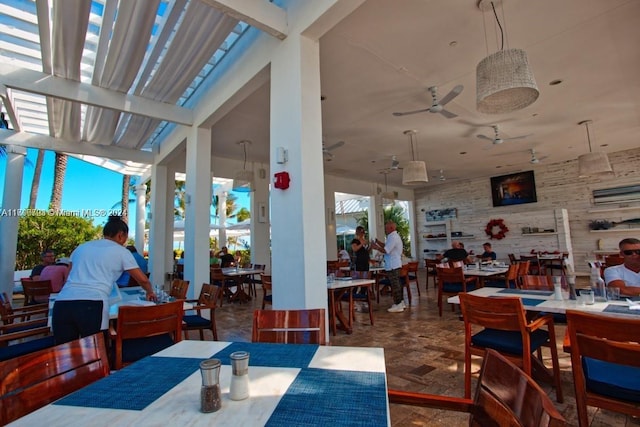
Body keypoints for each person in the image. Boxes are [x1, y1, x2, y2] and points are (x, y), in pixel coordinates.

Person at [51, 216, 157, 345]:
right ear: (120, 235)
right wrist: (150, 292)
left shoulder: (81, 247)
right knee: (96, 349)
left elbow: (68, 276)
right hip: (92, 303)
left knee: (65, 351)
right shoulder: (121, 252)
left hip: (63, 302)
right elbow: (143, 279)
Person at [371, 221, 404, 313]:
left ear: (391, 228)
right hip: (394, 264)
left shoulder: (393, 237)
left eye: (386, 228)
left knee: (395, 285)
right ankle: (400, 302)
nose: (385, 230)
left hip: (393, 264)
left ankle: (398, 304)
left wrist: (375, 247)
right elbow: (387, 246)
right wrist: (378, 242)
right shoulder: (392, 237)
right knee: (396, 284)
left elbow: (386, 250)